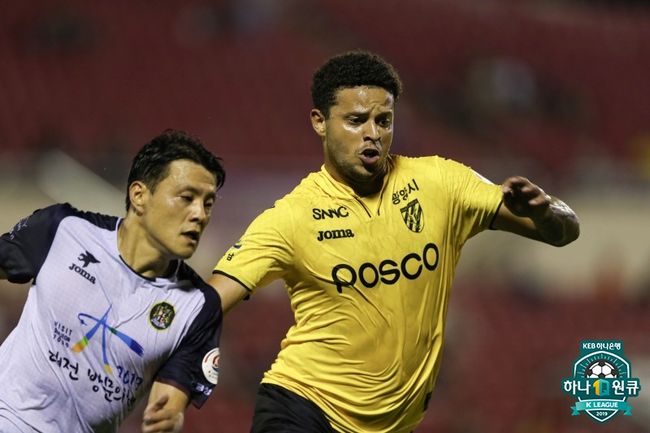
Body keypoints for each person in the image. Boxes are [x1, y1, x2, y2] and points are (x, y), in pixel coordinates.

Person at [210, 51, 580, 433]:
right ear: (320, 122)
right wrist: (177, 380)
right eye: (356, 120)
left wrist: (545, 212)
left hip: (392, 425)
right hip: (303, 409)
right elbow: (208, 303)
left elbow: (565, 232)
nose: (372, 133)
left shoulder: (441, 183)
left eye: (383, 120)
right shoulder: (291, 217)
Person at [0, 130, 226, 433]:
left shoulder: (199, 306)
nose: (200, 214)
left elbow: (170, 400)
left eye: (208, 204)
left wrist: (171, 417)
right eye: (187, 198)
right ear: (139, 196)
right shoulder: (64, 229)